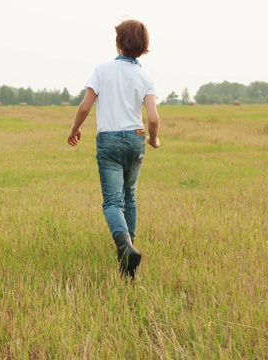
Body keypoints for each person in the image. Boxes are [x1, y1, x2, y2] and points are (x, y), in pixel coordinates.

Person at [67, 19, 161, 279]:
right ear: (144, 48)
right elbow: (153, 118)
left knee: (112, 201)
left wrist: (74, 130)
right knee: (129, 196)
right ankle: (128, 260)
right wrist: (153, 139)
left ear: (118, 43)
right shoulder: (145, 76)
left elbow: (85, 106)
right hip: (136, 138)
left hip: (109, 141)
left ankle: (124, 246)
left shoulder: (101, 71)